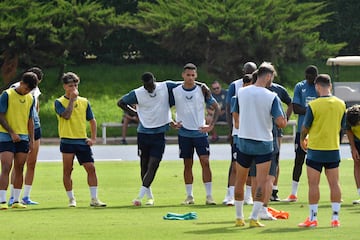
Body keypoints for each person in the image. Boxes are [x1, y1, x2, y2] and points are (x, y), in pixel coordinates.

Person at [233, 62, 287, 227]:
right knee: (262, 181)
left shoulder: (241, 92)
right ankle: (254, 217)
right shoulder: (271, 96)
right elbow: (281, 122)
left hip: (243, 140)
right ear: (269, 76)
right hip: (263, 141)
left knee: (240, 180)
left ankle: (238, 217)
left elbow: (235, 113)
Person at [117, 72, 179, 206]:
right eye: (147, 87)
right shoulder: (138, 93)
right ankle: (149, 195)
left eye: (151, 85)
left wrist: (201, 85)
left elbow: (183, 84)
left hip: (159, 133)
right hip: (143, 133)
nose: (150, 88)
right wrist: (134, 113)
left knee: (154, 164)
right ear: (143, 85)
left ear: (154, 81)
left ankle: (139, 196)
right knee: (144, 165)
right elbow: (121, 102)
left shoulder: (164, 86)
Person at [298, 74, 345, 228]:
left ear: (317, 86)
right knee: (334, 183)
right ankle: (335, 218)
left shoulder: (314, 105)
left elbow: (306, 126)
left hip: (316, 149)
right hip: (333, 148)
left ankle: (313, 218)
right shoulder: (341, 104)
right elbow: (342, 127)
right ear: (330, 85)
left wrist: (302, 138)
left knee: (313, 184)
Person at [54, 72, 106, 208]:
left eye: (75, 85)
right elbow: (66, 115)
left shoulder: (84, 101)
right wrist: (71, 100)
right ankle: (71, 199)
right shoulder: (59, 102)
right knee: (67, 170)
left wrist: (93, 138)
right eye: (70, 85)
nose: (73, 88)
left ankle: (94, 198)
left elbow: (92, 120)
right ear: (65, 86)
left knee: (91, 168)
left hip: (81, 140)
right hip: (67, 140)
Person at [172, 63, 220, 205]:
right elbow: (163, 106)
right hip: (184, 133)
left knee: (205, 162)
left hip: (200, 133)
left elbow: (216, 107)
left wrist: (211, 126)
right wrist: (172, 122)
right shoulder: (175, 90)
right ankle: (189, 196)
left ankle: (209, 196)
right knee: (188, 164)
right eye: (188, 75)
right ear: (183, 75)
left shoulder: (202, 90)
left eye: (193, 75)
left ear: (196, 76)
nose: (190, 78)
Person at [0, 72, 38, 209]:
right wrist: (11, 132)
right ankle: (2, 200)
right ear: (21, 83)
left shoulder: (30, 98)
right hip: (5, 135)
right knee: (6, 166)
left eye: (29, 90)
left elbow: (30, 120)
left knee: (20, 167)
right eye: (26, 88)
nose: (27, 91)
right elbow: (0, 115)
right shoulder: (7, 95)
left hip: (23, 137)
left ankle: (16, 200)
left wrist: (31, 139)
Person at [223, 62, 257, 206]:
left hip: (254, 133)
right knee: (235, 164)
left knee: (251, 165)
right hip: (238, 133)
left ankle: (248, 195)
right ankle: (230, 194)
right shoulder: (236, 87)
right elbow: (229, 108)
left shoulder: (260, 89)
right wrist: (231, 130)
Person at [8, 67, 43, 206]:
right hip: (20, 128)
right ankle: (12, 196)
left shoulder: (36, 90)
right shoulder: (15, 88)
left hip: (34, 126)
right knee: (17, 164)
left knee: (32, 163)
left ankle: (26, 196)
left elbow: (36, 106)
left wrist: (36, 121)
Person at [285, 65, 318, 202]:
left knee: (319, 162)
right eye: (307, 76)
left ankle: (324, 193)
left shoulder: (320, 86)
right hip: (302, 130)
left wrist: (309, 110)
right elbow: (296, 108)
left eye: (311, 77)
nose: (308, 79)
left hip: (317, 131)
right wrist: (314, 110)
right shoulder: (300, 87)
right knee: (299, 160)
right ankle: (293, 193)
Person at [267, 80, 293, 201]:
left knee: (275, 159)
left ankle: (274, 190)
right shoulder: (256, 89)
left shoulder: (279, 90)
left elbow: (290, 103)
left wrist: (286, 118)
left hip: (276, 129)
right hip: (262, 128)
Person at [344, 105, 360, 204]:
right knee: (357, 163)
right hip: (357, 141)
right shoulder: (347, 115)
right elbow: (348, 131)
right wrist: (353, 148)